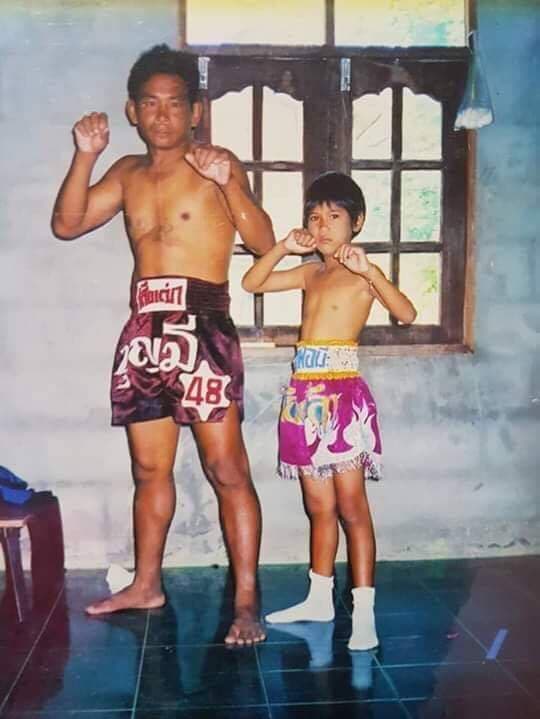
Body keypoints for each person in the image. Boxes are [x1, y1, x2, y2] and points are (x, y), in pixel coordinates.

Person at [51, 44, 275, 646]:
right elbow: (67, 223)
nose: (162, 114)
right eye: (149, 103)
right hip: (145, 330)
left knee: (226, 467)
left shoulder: (215, 163)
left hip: (202, 325)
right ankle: (147, 583)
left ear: (195, 111)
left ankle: (247, 600)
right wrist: (84, 155)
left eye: (175, 103)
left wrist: (230, 185)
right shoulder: (126, 172)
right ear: (132, 110)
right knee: (149, 468)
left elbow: (262, 240)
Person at [242, 172, 416, 650]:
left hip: (343, 398)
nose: (322, 226)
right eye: (314, 218)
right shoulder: (309, 272)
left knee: (352, 508)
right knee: (318, 506)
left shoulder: (362, 273)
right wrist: (283, 247)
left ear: (355, 222)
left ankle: (364, 613)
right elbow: (252, 281)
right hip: (304, 397)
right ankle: (319, 597)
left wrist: (372, 272)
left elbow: (406, 314)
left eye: (334, 217)